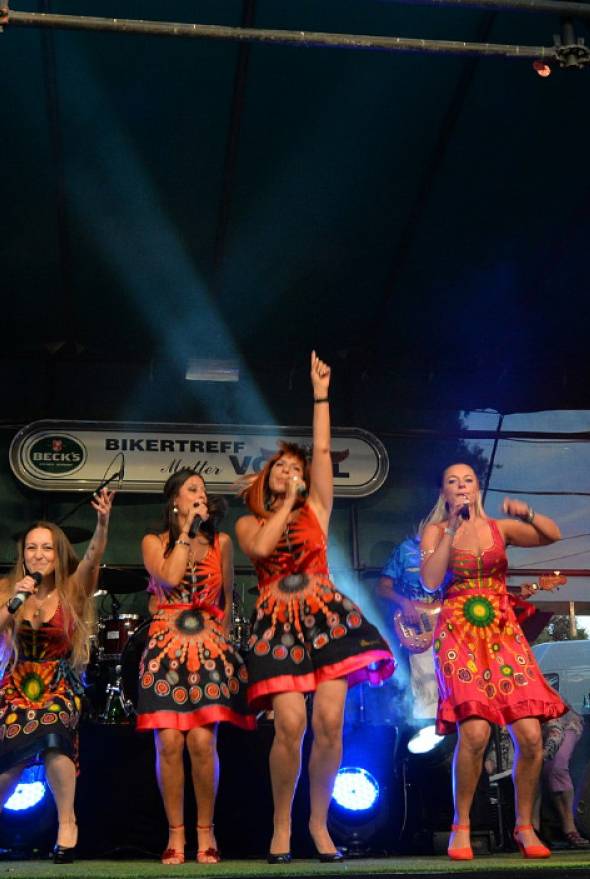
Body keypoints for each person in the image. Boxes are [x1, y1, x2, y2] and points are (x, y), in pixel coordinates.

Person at [235, 353, 394, 864]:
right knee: (289, 724)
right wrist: (285, 502)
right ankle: (282, 823)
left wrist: (320, 394)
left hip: (325, 616)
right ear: (267, 478)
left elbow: (322, 448)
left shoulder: (318, 508)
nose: (289, 471)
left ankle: (318, 823)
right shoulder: (248, 522)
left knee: (329, 722)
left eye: (295, 468)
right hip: (276, 622)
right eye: (280, 467)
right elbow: (262, 549)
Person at [417, 463, 566, 861]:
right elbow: (430, 581)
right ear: (444, 493)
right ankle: (461, 825)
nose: (461, 486)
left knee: (531, 736)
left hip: (502, 632)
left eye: (468, 480)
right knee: (476, 733)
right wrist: (451, 529)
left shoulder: (501, 528)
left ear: (477, 488)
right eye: (452, 481)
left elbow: (552, 534)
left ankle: (524, 826)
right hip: (459, 632)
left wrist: (526, 513)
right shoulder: (435, 531)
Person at [0, 491, 114, 863]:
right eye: (31, 548)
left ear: (59, 554)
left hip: (59, 683)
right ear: (23, 555)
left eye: (47, 548)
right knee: (12, 759)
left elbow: (93, 558)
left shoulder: (72, 589)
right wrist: (14, 600)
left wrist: (102, 524)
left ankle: (67, 822)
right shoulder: (8, 588)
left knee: (54, 740)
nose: (38, 554)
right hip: (17, 683)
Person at [137, 469, 252, 865]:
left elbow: (227, 598)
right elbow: (170, 577)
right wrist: (186, 531)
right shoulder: (154, 542)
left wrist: (222, 643)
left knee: (203, 743)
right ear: (176, 500)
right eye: (192, 489)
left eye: (203, 489)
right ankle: (175, 833)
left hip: (207, 647)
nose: (201, 494)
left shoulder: (223, 542)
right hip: (165, 647)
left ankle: (206, 830)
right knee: (169, 743)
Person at [377, 528, 442, 722]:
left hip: (449, 626)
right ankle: (427, 729)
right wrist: (405, 603)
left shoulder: (453, 548)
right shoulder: (405, 550)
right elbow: (382, 589)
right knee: (428, 688)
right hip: (419, 627)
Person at [540, 709, 587, 848]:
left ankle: (570, 827)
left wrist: (545, 753)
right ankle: (535, 830)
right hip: (538, 729)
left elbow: (556, 730)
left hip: (565, 724)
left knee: (556, 766)